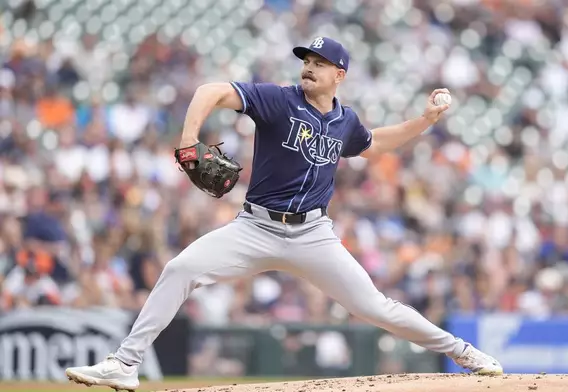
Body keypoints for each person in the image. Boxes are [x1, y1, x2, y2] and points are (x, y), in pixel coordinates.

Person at [65, 37, 502, 392]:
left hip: (313, 235)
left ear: (339, 75)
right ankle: (125, 363)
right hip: (255, 227)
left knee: (376, 307)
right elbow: (210, 91)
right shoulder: (278, 100)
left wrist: (424, 120)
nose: (309, 66)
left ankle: (464, 352)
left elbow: (376, 143)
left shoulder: (344, 122)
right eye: (306, 59)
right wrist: (188, 137)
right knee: (180, 268)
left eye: (320, 61)